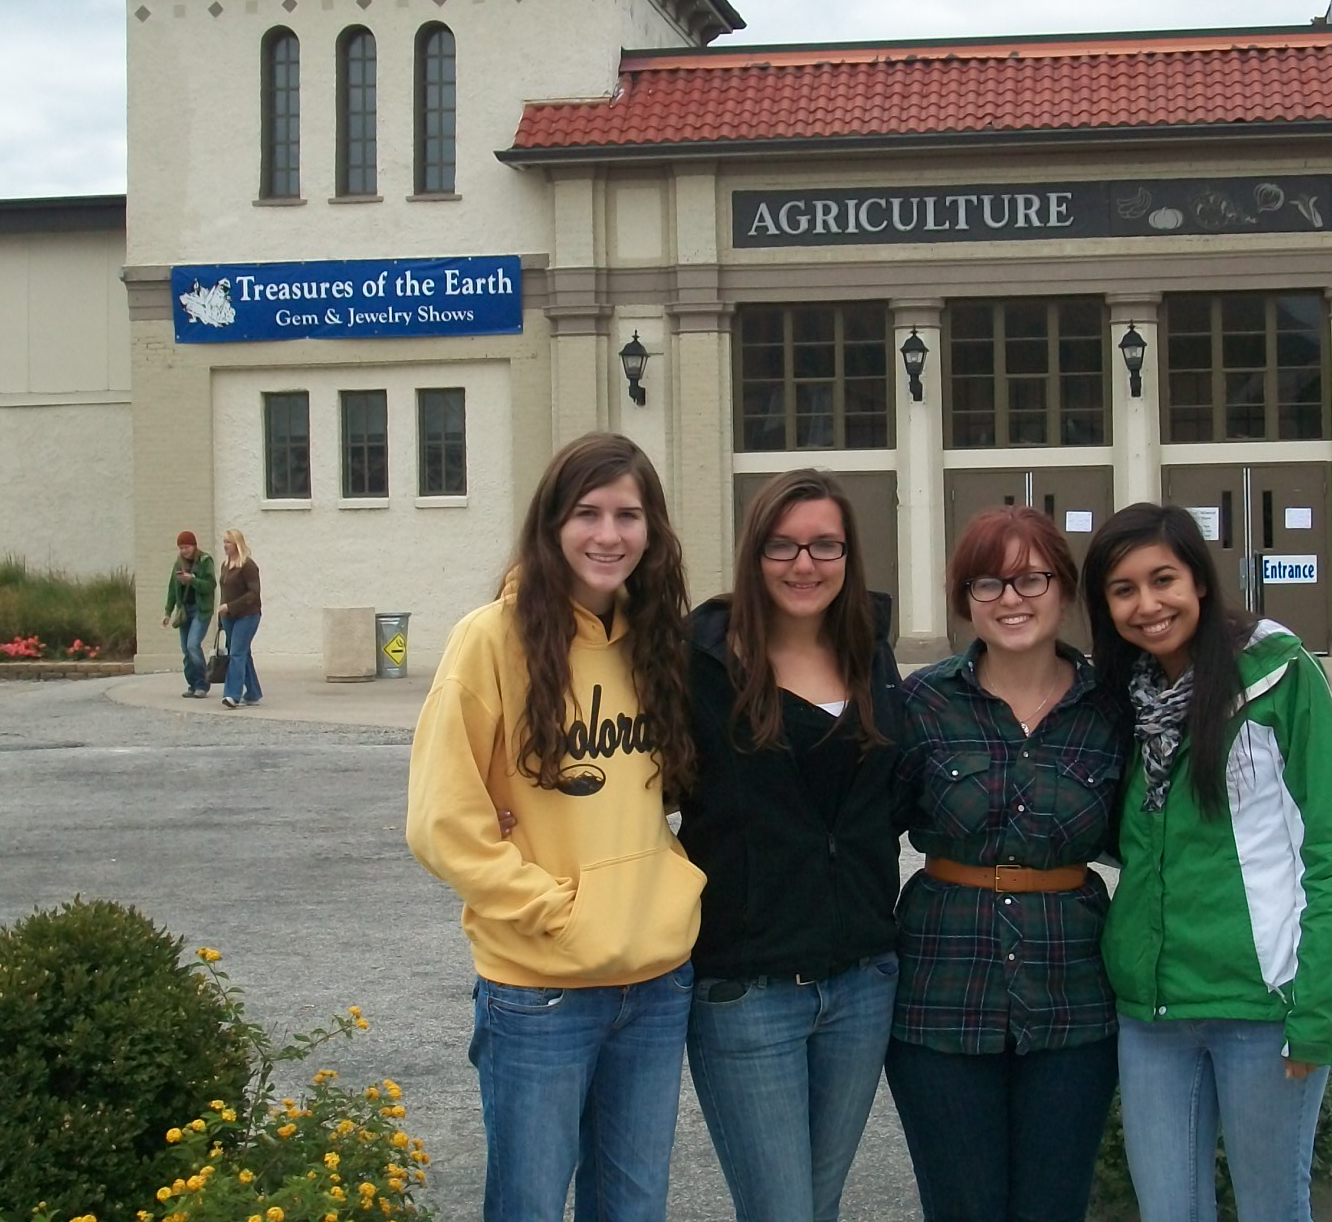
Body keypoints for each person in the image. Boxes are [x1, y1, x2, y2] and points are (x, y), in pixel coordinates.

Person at [405, 432, 703, 1222]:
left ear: (653, 529)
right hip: (541, 991)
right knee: (529, 1207)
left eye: (628, 515)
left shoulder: (655, 643)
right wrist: (554, 910)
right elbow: (440, 821)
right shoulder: (488, 640)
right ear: (552, 524)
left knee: (634, 1208)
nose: (609, 535)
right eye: (588, 514)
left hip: (655, 983)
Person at [1082, 503, 1332, 1222]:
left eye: (1163, 580)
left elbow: (1331, 852)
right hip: (1153, 1013)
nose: (1148, 605)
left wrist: (1321, 1005)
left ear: (1200, 581)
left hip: (1262, 1006)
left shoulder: (1279, 676)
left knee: (1273, 1209)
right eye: (1123, 589)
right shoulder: (1122, 700)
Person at [676, 471, 904, 1222]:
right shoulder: (701, 662)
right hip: (749, 989)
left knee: (819, 1203)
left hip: (862, 981)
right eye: (783, 546)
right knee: (781, 1211)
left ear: (849, 555)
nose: (804, 564)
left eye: (824, 546)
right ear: (754, 553)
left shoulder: (871, 655)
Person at [887, 506, 1124, 1222]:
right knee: (963, 1206)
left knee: (1055, 1206)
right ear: (965, 600)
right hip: (942, 994)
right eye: (986, 583)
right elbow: (858, 824)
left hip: (1073, 995)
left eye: (1031, 579)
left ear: (1065, 590)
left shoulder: (1111, 709)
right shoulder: (922, 703)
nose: (1010, 599)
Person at [159, 530, 216, 699]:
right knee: (186, 649)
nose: (184, 551)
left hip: (201, 609)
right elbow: (172, 588)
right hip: (184, 610)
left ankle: (202, 684)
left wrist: (192, 580)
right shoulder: (179, 563)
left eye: (187, 547)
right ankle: (192, 684)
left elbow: (210, 585)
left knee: (193, 645)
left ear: (194, 546)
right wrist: (167, 612)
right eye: (181, 548)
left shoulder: (205, 561)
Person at [216, 529, 262, 707]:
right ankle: (253, 693)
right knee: (243, 653)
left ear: (237, 544)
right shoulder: (225, 565)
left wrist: (231, 606)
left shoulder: (248, 565)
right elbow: (225, 592)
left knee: (236, 653)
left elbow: (253, 593)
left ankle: (232, 695)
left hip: (248, 615)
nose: (225, 545)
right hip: (229, 617)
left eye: (228, 542)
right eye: (224, 542)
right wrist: (222, 614)